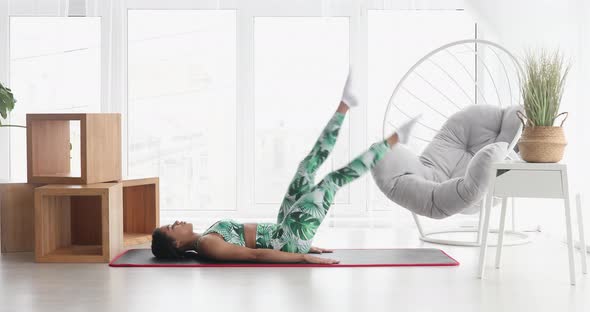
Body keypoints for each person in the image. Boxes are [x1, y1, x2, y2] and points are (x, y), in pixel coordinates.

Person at [151, 69, 420, 264]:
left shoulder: (207, 235)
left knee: (306, 167)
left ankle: (345, 104)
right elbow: (255, 255)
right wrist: (300, 256)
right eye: (170, 227)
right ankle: (395, 140)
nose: (175, 222)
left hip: (284, 229)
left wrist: (302, 245)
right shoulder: (207, 245)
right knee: (332, 181)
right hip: (288, 237)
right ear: (175, 243)